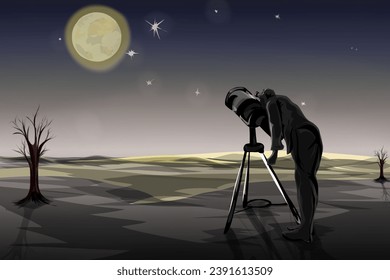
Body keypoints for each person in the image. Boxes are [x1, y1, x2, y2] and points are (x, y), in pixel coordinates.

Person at [256, 88, 323, 243]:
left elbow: (275, 125)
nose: (260, 103)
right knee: (305, 179)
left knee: (305, 181)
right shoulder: (283, 100)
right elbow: (279, 125)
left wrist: (274, 153)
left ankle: (305, 231)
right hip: (309, 134)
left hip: (302, 135)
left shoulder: (272, 102)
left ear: (266, 97)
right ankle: (307, 225)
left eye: (260, 100)